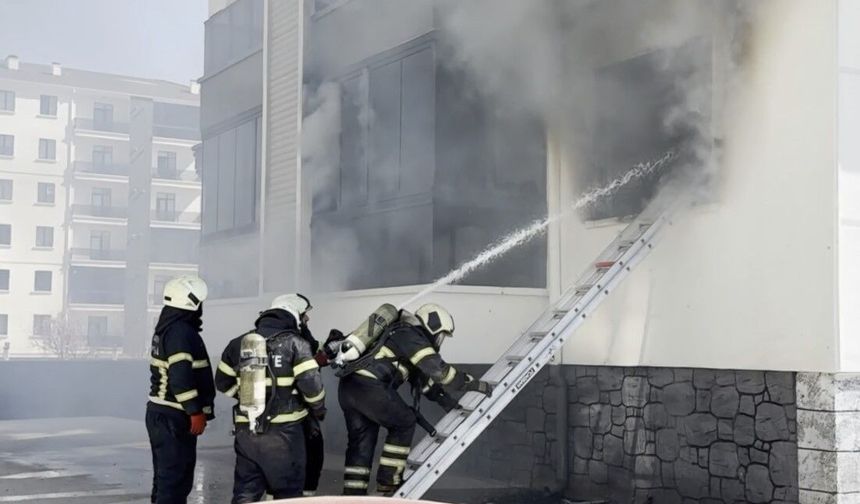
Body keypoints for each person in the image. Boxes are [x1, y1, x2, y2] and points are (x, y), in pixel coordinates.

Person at [337, 303, 493, 495]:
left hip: (349, 388)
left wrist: (446, 402)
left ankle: (353, 495)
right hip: (369, 387)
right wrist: (474, 384)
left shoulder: (400, 334)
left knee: (361, 442)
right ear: (433, 325)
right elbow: (440, 372)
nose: (439, 341)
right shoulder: (412, 335)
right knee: (404, 422)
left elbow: (424, 382)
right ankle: (389, 481)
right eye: (441, 335)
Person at [215, 294, 326, 503]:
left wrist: (242, 396)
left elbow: (221, 382)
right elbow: (312, 386)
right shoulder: (296, 343)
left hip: (247, 431)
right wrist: (318, 409)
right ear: (295, 315)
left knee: (246, 494)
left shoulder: (238, 343)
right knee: (286, 495)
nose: (306, 321)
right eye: (305, 316)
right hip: (285, 434)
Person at [146, 275, 215, 504]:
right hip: (174, 416)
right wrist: (195, 412)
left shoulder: (168, 328)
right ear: (192, 303)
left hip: (163, 415)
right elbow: (181, 378)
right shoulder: (180, 333)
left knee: (166, 481)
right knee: (175, 483)